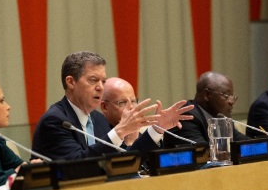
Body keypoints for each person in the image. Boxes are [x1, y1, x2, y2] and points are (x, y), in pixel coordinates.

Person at [32, 51, 194, 161]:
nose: (101, 87)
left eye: (103, 81)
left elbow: (125, 160)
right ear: (71, 82)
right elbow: (78, 165)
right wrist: (120, 131)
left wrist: (157, 129)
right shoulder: (55, 121)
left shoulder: (98, 120)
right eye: (93, 80)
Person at [164, 71, 249, 148]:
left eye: (232, 96)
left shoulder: (221, 117)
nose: (231, 101)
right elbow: (202, 154)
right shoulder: (187, 117)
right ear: (207, 95)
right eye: (226, 96)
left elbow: (244, 143)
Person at [100, 77, 140, 147]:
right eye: (123, 103)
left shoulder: (137, 133)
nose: (131, 107)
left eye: (133, 101)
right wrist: (130, 144)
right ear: (104, 107)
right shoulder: (97, 137)